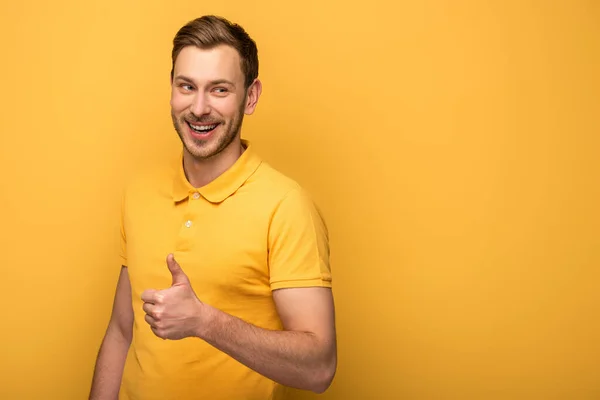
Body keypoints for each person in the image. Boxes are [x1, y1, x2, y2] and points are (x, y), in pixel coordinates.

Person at [88, 14, 337, 400]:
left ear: (250, 97)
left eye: (219, 90)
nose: (199, 108)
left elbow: (319, 367)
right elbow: (122, 331)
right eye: (187, 86)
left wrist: (204, 321)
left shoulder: (286, 206)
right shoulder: (139, 192)